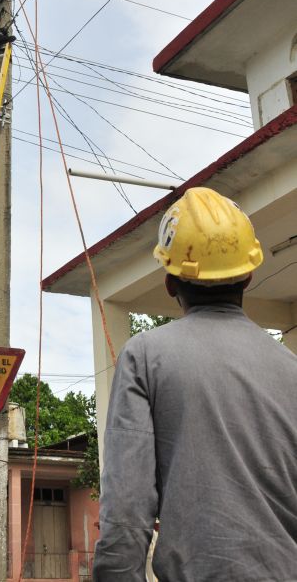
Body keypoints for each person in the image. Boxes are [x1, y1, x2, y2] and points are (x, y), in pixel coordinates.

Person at [93, 186, 297, 582]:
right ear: (249, 274)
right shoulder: (291, 367)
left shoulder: (145, 357)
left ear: (171, 283)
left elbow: (127, 507)